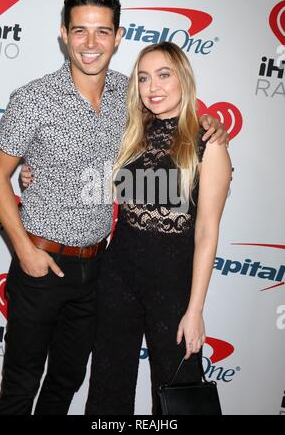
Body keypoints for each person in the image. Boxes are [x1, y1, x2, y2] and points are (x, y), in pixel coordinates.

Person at [0, 0, 228, 416]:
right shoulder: (33, 98)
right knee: (22, 383)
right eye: (80, 31)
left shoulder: (129, 97)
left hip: (100, 268)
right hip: (41, 263)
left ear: (118, 37)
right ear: (64, 34)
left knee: (66, 381)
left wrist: (210, 124)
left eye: (103, 32)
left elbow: (177, 136)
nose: (91, 43)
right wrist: (24, 249)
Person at [84, 42, 232, 415]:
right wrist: (33, 171)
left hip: (173, 285)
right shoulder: (131, 132)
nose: (153, 87)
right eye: (144, 78)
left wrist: (195, 309)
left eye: (164, 75)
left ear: (183, 78)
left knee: (175, 394)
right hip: (118, 275)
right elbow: (85, 170)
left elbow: (206, 232)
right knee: (108, 384)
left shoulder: (208, 143)